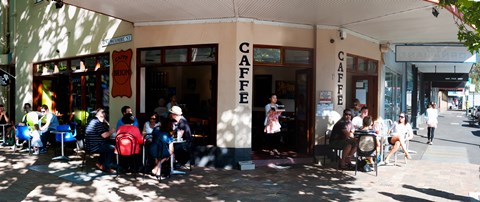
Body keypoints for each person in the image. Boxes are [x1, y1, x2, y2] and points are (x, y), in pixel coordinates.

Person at [85, 108, 116, 173]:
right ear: (102, 116)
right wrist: (111, 131)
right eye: (104, 115)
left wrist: (106, 123)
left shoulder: (91, 121)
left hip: (89, 145)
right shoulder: (97, 123)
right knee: (112, 148)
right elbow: (104, 135)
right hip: (95, 146)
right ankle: (106, 166)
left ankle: (99, 163)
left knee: (107, 145)